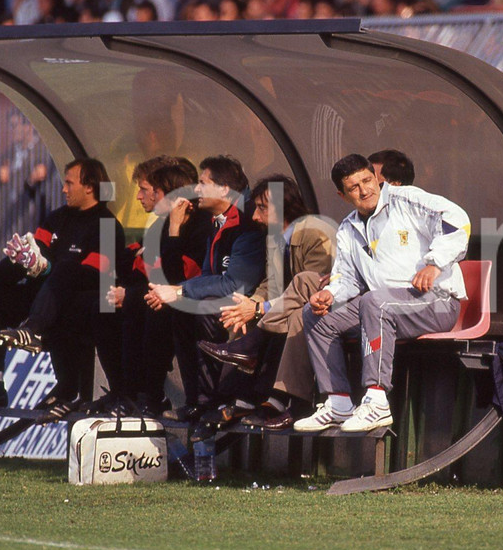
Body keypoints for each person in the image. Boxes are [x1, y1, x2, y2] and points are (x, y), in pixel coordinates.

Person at [0, 159, 126, 420]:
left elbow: (90, 276)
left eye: (69, 183)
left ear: (89, 187)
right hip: (43, 301)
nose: (63, 189)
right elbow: (33, 260)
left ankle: (19, 324)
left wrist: (48, 267)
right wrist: (34, 262)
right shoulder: (57, 217)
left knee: (64, 268)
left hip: (79, 308)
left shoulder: (107, 225)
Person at [293, 154, 470, 433]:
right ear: (342, 195)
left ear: (376, 178)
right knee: (317, 316)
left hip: (437, 302)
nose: (364, 190)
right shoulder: (348, 227)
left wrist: (435, 263)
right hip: (384, 305)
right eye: (354, 187)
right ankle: (338, 403)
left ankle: (376, 402)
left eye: (367, 180)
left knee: (374, 302)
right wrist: (330, 294)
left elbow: (458, 220)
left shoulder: (406, 199)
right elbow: (346, 277)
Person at [200, 174, 336, 430]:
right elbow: (270, 284)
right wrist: (249, 305)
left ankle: (272, 399)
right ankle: (239, 399)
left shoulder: (314, 232)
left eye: (262, 208)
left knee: (287, 317)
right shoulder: (274, 237)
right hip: (292, 305)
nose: (255, 216)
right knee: (244, 316)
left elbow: (315, 286)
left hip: (324, 305)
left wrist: (259, 308)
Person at [144, 155, 266, 422]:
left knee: (202, 311)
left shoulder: (247, 222)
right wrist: (176, 292)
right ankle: (193, 402)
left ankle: (215, 401)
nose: (196, 189)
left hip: (253, 304)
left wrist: (178, 290)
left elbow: (236, 283)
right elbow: (209, 274)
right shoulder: (217, 220)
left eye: (202, 183)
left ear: (224, 189)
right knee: (177, 310)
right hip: (225, 298)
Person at [105, 156, 213, 416]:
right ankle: (127, 393)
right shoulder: (160, 226)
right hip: (165, 293)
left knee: (151, 306)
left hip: (194, 298)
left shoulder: (199, 226)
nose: (147, 196)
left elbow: (176, 276)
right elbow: (139, 268)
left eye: (154, 191)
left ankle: (151, 396)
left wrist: (174, 229)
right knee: (108, 307)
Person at [0, 109, 61, 257]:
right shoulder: (8, 155)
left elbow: (50, 189)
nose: (12, 131)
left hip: (31, 221)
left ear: (28, 126)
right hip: (8, 224)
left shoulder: (43, 152)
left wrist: (33, 178)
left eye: (14, 125)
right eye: (10, 126)